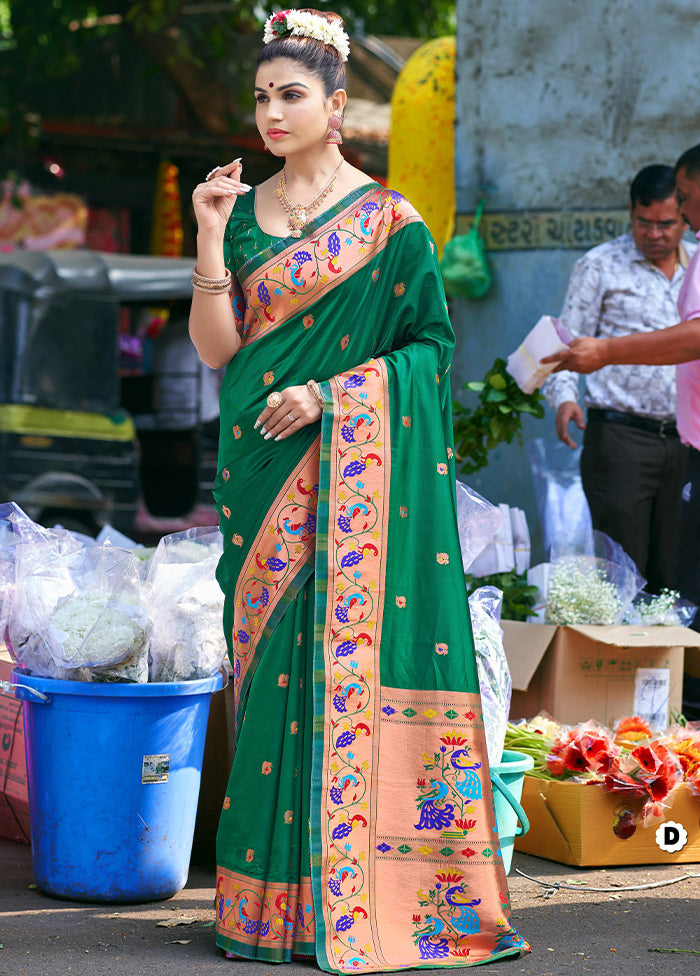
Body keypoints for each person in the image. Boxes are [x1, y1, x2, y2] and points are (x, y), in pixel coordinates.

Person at [188, 8, 529, 971]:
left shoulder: (389, 225)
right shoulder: (241, 210)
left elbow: (429, 351)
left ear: (339, 106)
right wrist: (212, 237)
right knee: (265, 679)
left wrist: (332, 396)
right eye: (260, 97)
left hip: (340, 471)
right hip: (255, 470)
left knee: (333, 661)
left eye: (291, 95)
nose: (271, 113)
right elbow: (221, 351)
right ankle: (266, 909)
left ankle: (357, 896)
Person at [543, 144, 700, 693]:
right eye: (644, 222)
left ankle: (672, 699)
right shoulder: (600, 265)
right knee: (622, 572)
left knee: (678, 577)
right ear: (630, 214)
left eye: (668, 221)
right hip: (622, 438)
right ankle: (618, 695)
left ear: (683, 217)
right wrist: (566, 398)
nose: (656, 233)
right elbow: (567, 341)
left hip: (685, 444)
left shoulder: (698, 261)